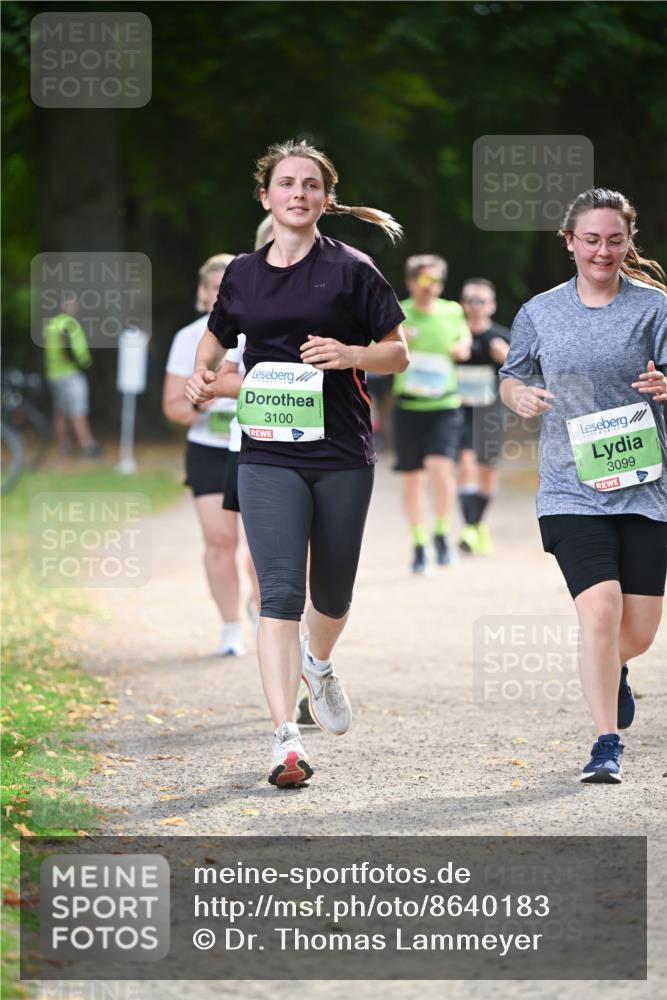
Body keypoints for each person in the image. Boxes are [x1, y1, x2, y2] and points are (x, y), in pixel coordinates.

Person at [186, 139, 408, 787]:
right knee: (279, 593)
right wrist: (202, 377)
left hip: (340, 452)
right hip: (266, 453)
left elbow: (397, 352)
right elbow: (217, 336)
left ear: (325, 198)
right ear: (266, 196)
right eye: (287, 183)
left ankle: (319, 661)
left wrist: (350, 354)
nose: (298, 194)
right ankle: (285, 740)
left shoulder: (352, 269)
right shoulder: (245, 273)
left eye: (311, 185)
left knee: (332, 594)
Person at [499, 188, 667, 784]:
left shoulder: (655, 308)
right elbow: (512, 375)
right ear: (569, 242)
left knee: (639, 633)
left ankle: (611, 667)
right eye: (591, 240)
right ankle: (605, 743)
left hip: (646, 486)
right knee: (600, 610)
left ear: (628, 242)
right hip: (571, 487)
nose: (603, 251)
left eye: (614, 240)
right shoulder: (540, 312)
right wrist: (516, 394)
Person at [163, 254, 258, 657]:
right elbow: (173, 407)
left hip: (255, 444)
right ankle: (231, 626)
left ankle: (266, 612)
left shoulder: (258, 330)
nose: (221, 295)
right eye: (214, 288)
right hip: (208, 449)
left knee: (261, 548)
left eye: (228, 288)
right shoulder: (188, 340)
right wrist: (205, 398)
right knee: (220, 541)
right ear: (203, 294)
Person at [392, 255, 471, 573]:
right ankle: (419, 542)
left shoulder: (452, 311)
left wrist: (462, 347)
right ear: (411, 282)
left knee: (440, 470)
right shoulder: (399, 313)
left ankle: (441, 533)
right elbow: (375, 347)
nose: (431, 288)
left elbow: (463, 339)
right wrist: (398, 341)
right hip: (409, 407)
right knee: (412, 478)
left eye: (436, 281)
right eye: (424, 281)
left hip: (444, 406)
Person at [457, 278, 510, 555]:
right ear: (463, 304)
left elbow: (524, 372)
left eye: (481, 301)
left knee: (488, 471)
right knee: (466, 464)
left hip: (490, 412)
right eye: (470, 300)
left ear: (492, 306)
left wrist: (507, 358)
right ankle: (469, 526)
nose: (475, 306)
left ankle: (478, 525)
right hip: (458, 411)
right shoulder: (454, 335)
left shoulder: (500, 337)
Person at [43, 292, 101, 458]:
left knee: (60, 412)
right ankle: (88, 446)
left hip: (53, 373)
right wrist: (83, 364)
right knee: (78, 411)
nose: (75, 306)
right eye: (72, 303)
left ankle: (63, 446)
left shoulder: (52, 324)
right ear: (64, 305)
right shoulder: (69, 324)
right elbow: (70, 349)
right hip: (70, 373)